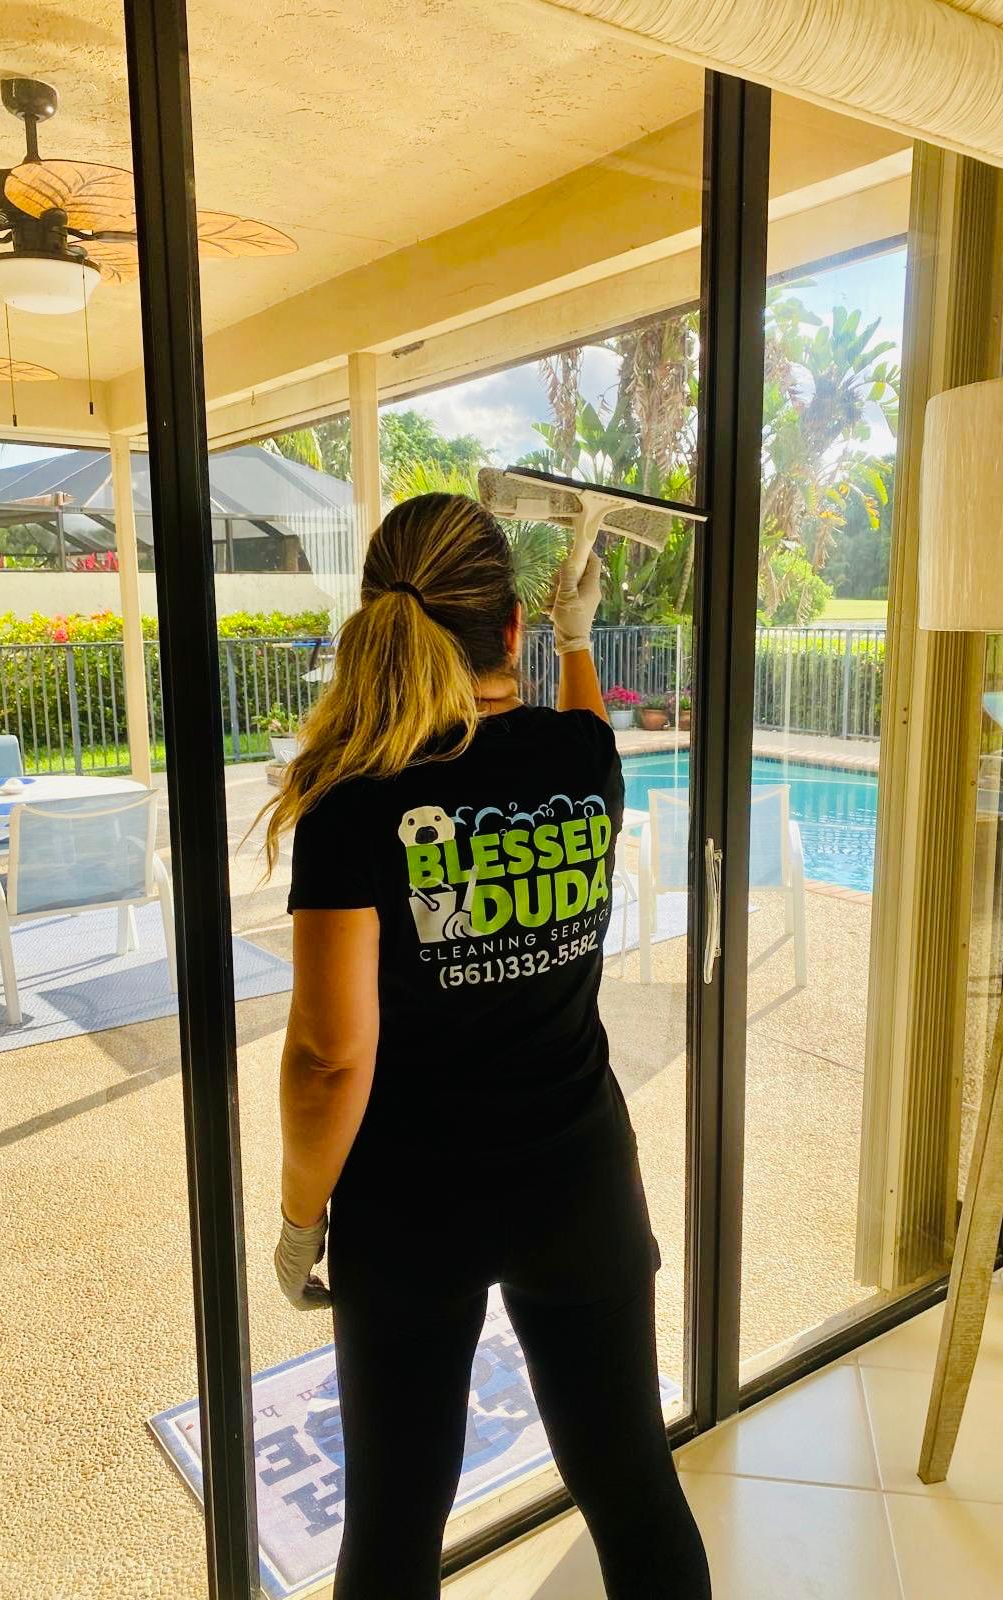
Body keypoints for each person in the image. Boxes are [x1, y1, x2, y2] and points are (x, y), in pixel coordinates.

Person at [263, 493, 711, 1599]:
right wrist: (576, 641)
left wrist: (300, 1217)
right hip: (580, 1179)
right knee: (633, 1489)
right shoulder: (584, 757)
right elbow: (580, 735)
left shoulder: (352, 803)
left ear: (378, 620)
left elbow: (329, 1057)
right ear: (510, 626)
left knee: (395, 1525)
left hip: (413, 1208)